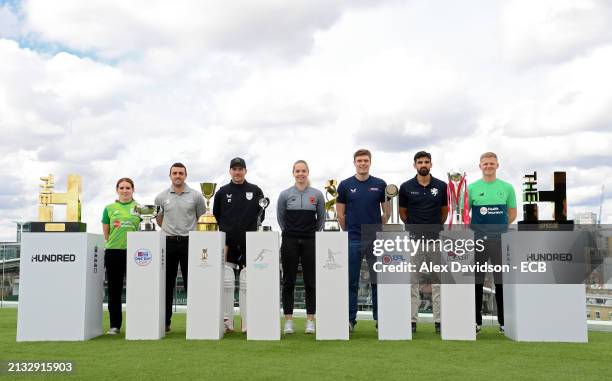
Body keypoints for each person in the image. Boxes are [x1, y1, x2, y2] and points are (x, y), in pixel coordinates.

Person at [336, 148, 389, 332]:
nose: (363, 163)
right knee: (351, 282)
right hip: (353, 239)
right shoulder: (344, 185)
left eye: (366, 160)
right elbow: (340, 214)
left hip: (375, 239)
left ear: (370, 162)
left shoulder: (381, 184)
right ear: (354, 163)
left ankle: (380, 320)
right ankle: (350, 320)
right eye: (359, 161)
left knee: (377, 281)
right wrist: (349, 230)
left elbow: (386, 212)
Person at [213, 157, 265, 333]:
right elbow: (216, 216)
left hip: (249, 242)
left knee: (247, 282)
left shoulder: (255, 190)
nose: (237, 172)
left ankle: (247, 321)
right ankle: (227, 321)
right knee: (227, 281)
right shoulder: (222, 192)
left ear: (245, 171)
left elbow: (261, 215)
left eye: (240, 169)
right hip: (227, 243)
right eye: (234, 169)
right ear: (230, 171)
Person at [398, 151, 448, 334]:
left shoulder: (441, 186)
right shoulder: (405, 187)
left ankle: (440, 321)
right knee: (412, 282)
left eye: (426, 161)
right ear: (414, 165)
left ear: (431, 164)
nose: (423, 164)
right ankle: (412, 320)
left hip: (435, 239)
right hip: (413, 241)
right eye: (420, 162)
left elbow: (445, 211)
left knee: (438, 282)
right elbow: (403, 213)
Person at [469, 152, 516, 333]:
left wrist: (500, 227)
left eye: (491, 163)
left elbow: (512, 213)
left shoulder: (507, 188)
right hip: (478, 241)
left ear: (497, 165)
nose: (488, 166)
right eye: (485, 164)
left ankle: (504, 322)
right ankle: (475, 322)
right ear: (480, 166)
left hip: (500, 240)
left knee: (501, 282)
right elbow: (466, 215)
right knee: (476, 282)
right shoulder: (471, 188)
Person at [155, 162, 205, 332]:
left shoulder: (196, 196)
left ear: (185, 175)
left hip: (189, 242)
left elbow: (201, 219)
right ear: (170, 176)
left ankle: (196, 320)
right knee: (166, 284)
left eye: (181, 173)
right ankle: (165, 322)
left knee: (192, 283)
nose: (178, 176)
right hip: (168, 242)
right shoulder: (161, 197)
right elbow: (159, 220)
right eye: (175, 173)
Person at [277, 160, 326, 334]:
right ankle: (288, 321)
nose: (300, 174)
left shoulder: (317, 194)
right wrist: (291, 233)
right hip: (289, 240)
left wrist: (310, 233)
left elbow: (321, 219)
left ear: (308, 172)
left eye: (303, 171)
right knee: (288, 281)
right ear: (293, 173)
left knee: (310, 282)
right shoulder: (284, 194)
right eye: (297, 171)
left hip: (310, 241)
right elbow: (281, 218)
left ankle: (310, 320)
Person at [102, 177, 141, 335]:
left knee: (136, 289)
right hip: (113, 252)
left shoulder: (140, 207)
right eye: (122, 188)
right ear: (117, 190)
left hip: (134, 253)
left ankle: (137, 322)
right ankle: (115, 325)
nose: (125, 191)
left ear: (133, 190)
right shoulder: (109, 208)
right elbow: (106, 232)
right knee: (114, 289)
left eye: (128, 188)